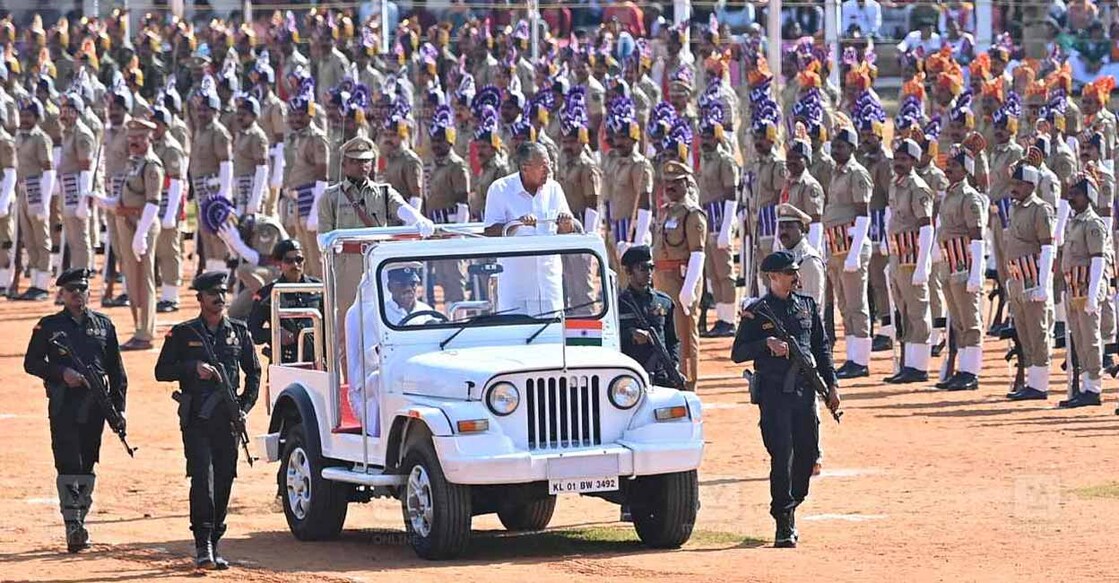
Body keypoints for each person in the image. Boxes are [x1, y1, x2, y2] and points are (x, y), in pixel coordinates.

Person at [731, 250, 840, 549]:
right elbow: (738, 353)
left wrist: (832, 385)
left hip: (804, 392)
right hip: (774, 393)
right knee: (782, 455)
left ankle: (792, 502)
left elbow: (821, 347)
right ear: (773, 277)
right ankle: (783, 521)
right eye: (789, 273)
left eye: (796, 271)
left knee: (807, 455)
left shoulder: (806, 306)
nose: (796, 277)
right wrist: (766, 344)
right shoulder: (757, 312)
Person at [154, 271, 261, 570]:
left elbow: (254, 373)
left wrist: (244, 406)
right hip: (197, 418)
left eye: (223, 292)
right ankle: (203, 544)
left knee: (225, 478)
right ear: (200, 298)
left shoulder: (238, 331)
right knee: (202, 478)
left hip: (227, 418)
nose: (220, 298)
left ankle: (215, 539)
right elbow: (162, 371)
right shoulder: (183, 333)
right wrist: (192, 368)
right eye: (213, 293)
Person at [24, 268, 127, 553]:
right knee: (68, 462)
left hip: (96, 406)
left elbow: (117, 372)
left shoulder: (104, 325)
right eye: (71, 290)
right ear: (62, 294)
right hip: (64, 404)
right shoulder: (49, 326)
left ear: (88, 292)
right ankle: (73, 524)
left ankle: (81, 514)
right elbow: (32, 363)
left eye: (82, 289)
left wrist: (119, 409)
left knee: (88, 462)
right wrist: (62, 373)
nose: (77, 294)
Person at [318, 136, 434, 312]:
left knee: (381, 311)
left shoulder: (383, 192)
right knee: (347, 313)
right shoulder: (331, 196)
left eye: (366, 161)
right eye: (355, 161)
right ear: (344, 165)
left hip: (377, 260)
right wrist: (329, 242)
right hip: (347, 262)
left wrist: (419, 220)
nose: (362, 166)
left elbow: (401, 207)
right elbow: (323, 234)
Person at [482, 142, 575, 315]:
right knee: (516, 330)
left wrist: (566, 224)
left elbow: (568, 230)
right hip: (516, 287)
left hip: (549, 286)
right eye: (543, 167)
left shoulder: (554, 189)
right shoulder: (500, 189)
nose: (549, 171)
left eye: (550, 165)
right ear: (525, 168)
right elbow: (490, 232)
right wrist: (516, 224)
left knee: (553, 330)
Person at [345, 264, 434, 437]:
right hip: (381, 374)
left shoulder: (427, 312)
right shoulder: (376, 315)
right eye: (402, 284)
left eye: (412, 283)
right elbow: (368, 359)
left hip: (417, 372)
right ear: (390, 287)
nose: (408, 288)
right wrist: (383, 350)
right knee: (381, 379)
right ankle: (389, 435)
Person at [936, 135, 988, 391]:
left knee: (970, 320)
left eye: (954, 166)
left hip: (964, 264)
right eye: (947, 165)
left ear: (966, 169)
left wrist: (976, 273)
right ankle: (962, 370)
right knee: (957, 321)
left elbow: (977, 236)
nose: (948, 170)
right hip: (949, 263)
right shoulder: (949, 194)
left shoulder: (969, 197)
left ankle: (971, 372)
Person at [1004, 158, 1057, 400]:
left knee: (1038, 332)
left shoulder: (1040, 209)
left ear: (1031, 185)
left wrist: (1043, 284)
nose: (1014, 187)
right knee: (1024, 333)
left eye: (1019, 183)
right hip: (1017, 277)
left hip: (1033, 278)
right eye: (1013, 183)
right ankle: (1030, 382)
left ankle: (1039, 385)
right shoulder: (1014, 207)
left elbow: (1047, 247)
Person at [883, 138, 935, 383]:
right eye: (897, 159)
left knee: (917, 311)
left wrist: (923, 264)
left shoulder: (918, 188)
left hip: (912, 258)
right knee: (903, 312)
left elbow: (926, 227)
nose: (899, 163)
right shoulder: (895, 184)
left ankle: (919, 367)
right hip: (897, 256)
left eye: (904, 159)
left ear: (914, 161)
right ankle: (908, 365)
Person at [653, 160, 706, 392]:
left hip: (681, 279)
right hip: (662, 278)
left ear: (686, 183)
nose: (670, 187)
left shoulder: (692, 214)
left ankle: (688, 381)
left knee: (684, 333)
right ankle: (669, 376)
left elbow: (698, 253)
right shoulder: (666, 211)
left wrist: (689, 288)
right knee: (666, 331)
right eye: (667, 183)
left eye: (676, 183)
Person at [111, 118, 163, 351]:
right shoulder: (133, 163)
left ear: (149, 138)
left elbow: (152, 203)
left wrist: (141, 235)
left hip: (141, 226)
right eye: (131, 137)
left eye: (140, 137)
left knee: (144, 279)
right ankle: (138, 328)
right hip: (127, 224)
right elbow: (124, 198)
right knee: (132, 279)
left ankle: (145, 332)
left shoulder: (151, 166)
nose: (134, 141)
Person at [825, 125, 873, 378]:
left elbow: (863, 214)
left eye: (840, 146)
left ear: (852, 148)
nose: (836, 150)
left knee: (856, 304)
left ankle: (861, 361)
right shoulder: (836, 172)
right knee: (844, 306)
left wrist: (855, 254)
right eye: (834, 146)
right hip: (836, 247)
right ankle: (852, 356)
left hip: (851, 247)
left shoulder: (857, 174)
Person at [1059, 171, 1110, 407]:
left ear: (1088, 196)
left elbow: (1098, 260)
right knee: (1078, 339)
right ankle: (1084, 386)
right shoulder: (1074, 221)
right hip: (1074, 289)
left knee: (1090, 339)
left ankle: (1094, 388)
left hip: (1087, 288)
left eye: (1076, 194)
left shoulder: (1092, 224)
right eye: (1070, 193)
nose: (1072, 198)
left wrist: (1093, 295)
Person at [247, 239, 323, 365]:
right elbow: (253, 331)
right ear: (279, 263)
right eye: (289, 260)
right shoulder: (269, 294)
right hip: (284, 362)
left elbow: (329, 326)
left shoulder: (317, 288)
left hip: (315, 362)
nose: (295, 265)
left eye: (299, 260)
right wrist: (275, 333)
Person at [618, 244, 681, 387]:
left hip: (661, 374)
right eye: (642, 268)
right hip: (632, 374)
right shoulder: (619, 303)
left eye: (651, 268)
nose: (649, 272)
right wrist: (630, 334)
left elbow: (672, 340)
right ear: (629, 271)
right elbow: (610, 337)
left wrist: (674, 364)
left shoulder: (664, 302)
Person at [15, 97, 55, 300]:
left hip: (37, 189)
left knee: (41, 238)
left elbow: (48, 170)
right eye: (22, 115)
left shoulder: (41, 138)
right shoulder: (19, 137)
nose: (24, 119)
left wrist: (45, 203)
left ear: (37, 117)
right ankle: (34, 282)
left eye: (28, 115)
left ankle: (43, 285)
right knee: (29, 240)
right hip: (22, 190)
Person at [775, 204, 825, 305]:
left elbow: (812, 305)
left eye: (789, 227)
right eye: (781, 227)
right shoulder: (781, 257)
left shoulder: (809, 260)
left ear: (802, 229)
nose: (784, 231)